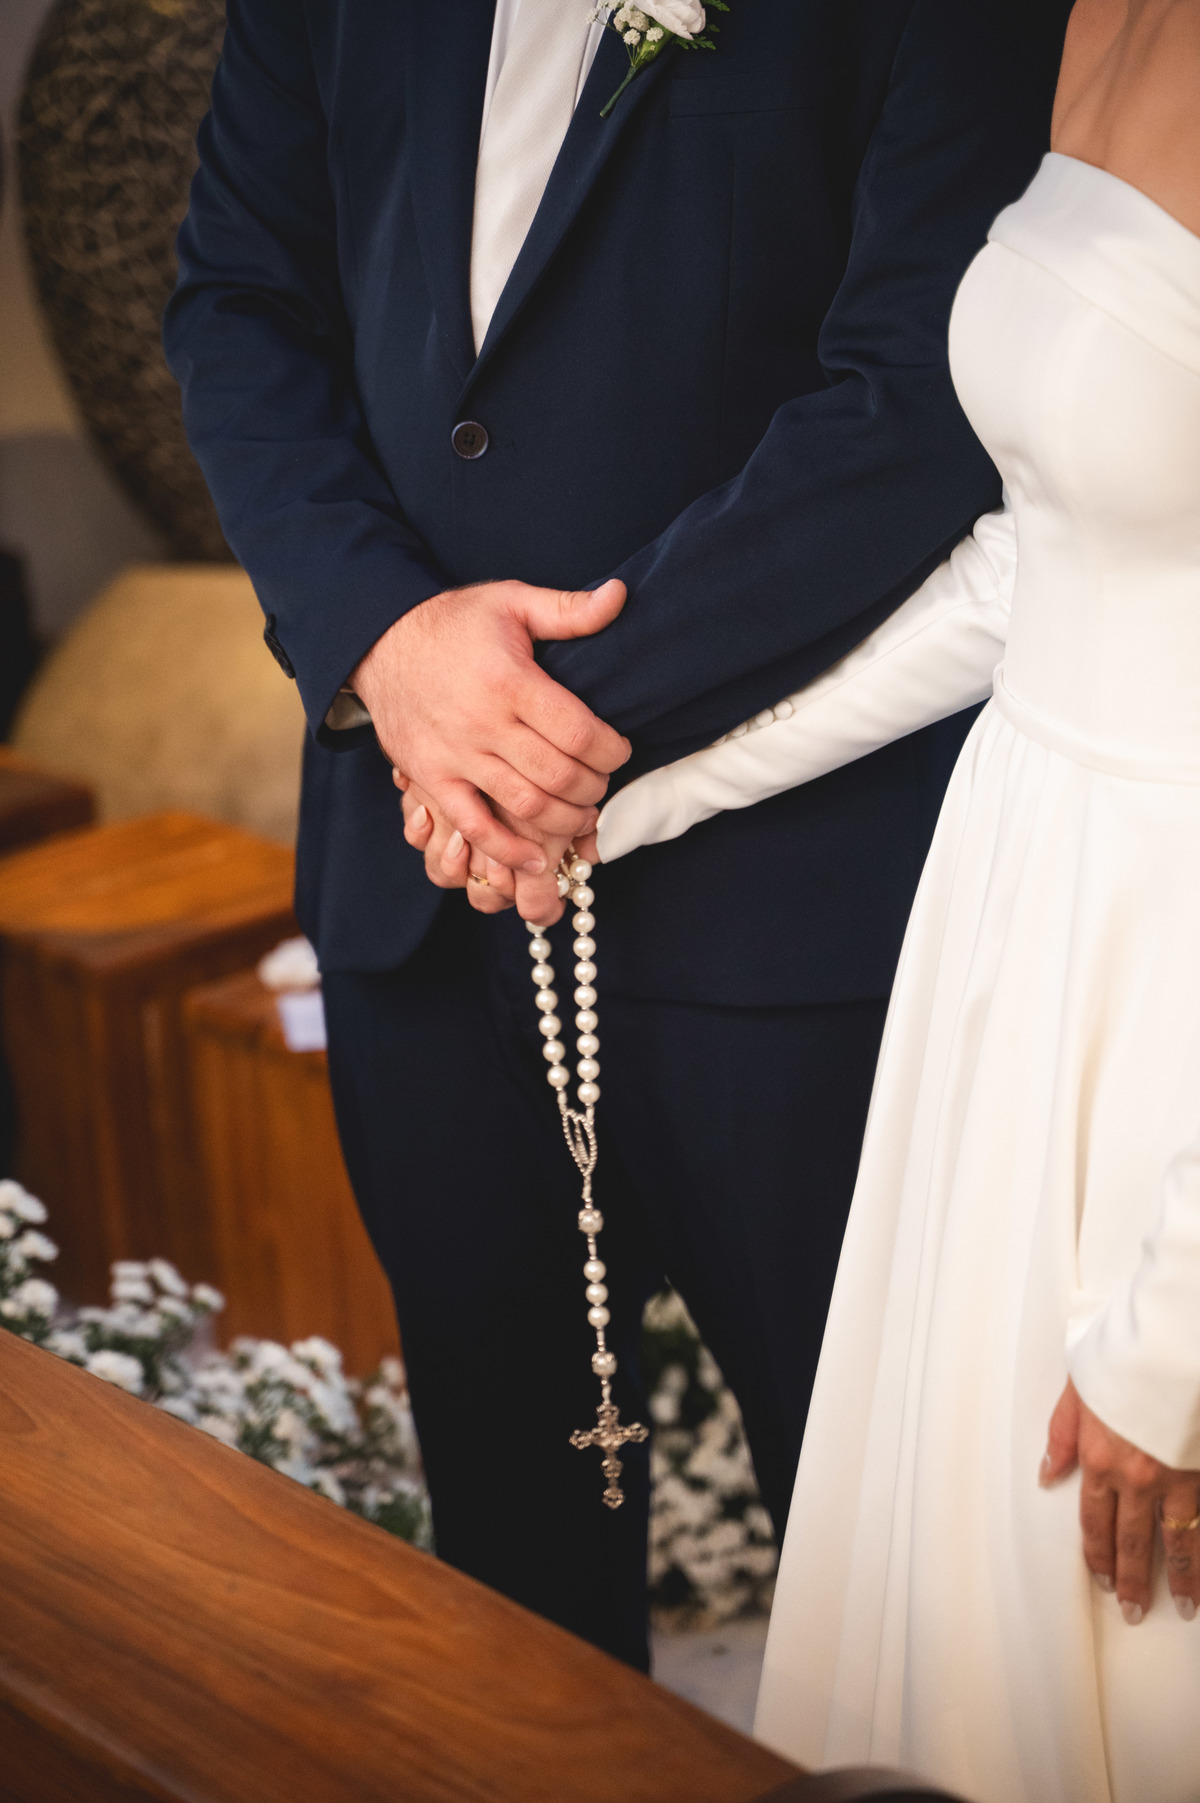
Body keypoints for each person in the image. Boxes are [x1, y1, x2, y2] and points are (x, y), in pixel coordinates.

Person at [164, 0, 1070, 1669]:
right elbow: (240, 303)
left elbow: (912, 398)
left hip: (799, 916)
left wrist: (509, 734)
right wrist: (390, 648)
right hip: (421, 906)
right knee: (512, 1579)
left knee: (900, 1587)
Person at [594, 1, 1200, 1794]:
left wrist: (1180, 1337)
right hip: (1015, 916)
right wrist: (629, 797)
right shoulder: (1080, 18)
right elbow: (1030, 565)